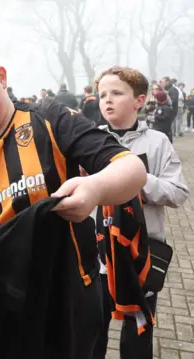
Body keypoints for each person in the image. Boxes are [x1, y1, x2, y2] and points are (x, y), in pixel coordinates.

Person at [0, 38, 147, 357]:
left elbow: (130, 168)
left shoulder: (48, 119)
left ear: (1, 76)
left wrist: (94, 189)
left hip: (70, 295)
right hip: (3, 297)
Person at [92, 66, 189, 359]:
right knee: (93, 329)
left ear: (139, 100)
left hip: (142, 257)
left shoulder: (158, 142)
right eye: (102, 95)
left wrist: (138, 178)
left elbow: (179, 193)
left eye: (117, 93)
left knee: (138, 334)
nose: (107, 100)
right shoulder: (90, 139)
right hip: (99, 257)